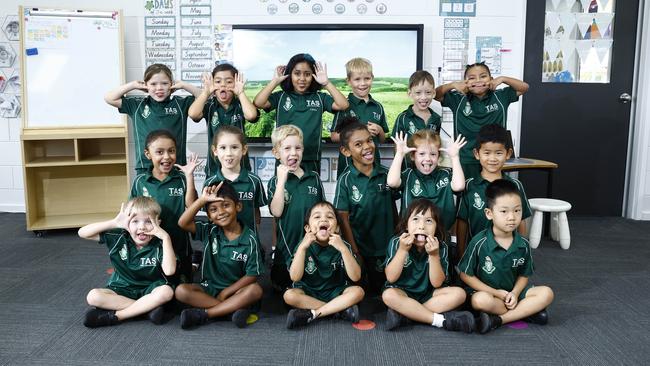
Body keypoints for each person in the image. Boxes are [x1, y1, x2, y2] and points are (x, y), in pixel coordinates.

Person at [459, 179, 554, 334]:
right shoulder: (479, 242)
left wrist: (515, 293)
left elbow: (524, 274)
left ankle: (498, 319)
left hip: (513, 292)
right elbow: (465, 275)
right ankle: (525, 312)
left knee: (547, 293)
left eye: (517, 211)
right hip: (490, 294)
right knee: (479, 301)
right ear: (489, 214)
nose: (512, 217)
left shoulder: (523, 243)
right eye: (504, 211)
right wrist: (497, 293)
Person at [175, 182, 264, 329]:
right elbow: (182, 222)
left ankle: (205, 314)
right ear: (209, 216)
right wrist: (202, 200)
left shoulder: (250, 239)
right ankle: (230, 311)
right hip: (209, 289)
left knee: (255, 290)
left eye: (226, 205)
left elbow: (252, 275)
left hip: (236, 291)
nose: (221, 212)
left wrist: (226, 292)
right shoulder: (210, 230)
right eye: (213, 209)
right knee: (181, 291)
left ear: (238, 206)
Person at [78, 197, 176, 328]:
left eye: (148, 221)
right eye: (135, 221)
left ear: (158, 223)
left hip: (150, 290)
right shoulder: (119, 237)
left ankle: (118, 316)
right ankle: (146, 310)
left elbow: (169, 271)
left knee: (166, 292)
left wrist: (165, 237)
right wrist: (114, 223)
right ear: (126, 223)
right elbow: (82, 233)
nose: (142, 227)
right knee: (93, 296)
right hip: (122, 288)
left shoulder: (160, 244)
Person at [382, 199, 475, 332]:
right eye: (416, 219)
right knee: (388, 295)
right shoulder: (397, 242)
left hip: (429, 294)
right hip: (403, 292)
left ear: (436, 227)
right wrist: (403, 250)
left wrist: (434, 255)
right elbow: (391, 278)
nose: (422, 226)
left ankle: (407, 314)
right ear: (407, 225)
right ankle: (440, 321)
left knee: (460, 294)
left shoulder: (440, 246)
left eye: (429, 221)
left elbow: (437, 283)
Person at [333, 116, 398, 295]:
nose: (367, 147)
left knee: (384, 290)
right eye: (359, 144)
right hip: (361, 248)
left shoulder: (387, 174)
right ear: (346, 151)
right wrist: (354, 251)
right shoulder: (345, 180)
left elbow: (394, 209)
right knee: (360, 290)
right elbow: (343, 219)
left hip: (387, 247)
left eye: (369, 140)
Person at [253, 53, 349, 172]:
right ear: (289, 75)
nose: (302, 79)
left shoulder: (319, 97)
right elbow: (259, 103)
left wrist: (326, 83)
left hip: (311, 158)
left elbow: (343, 104)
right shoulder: (281, 97)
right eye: (297, 73)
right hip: (284, 158)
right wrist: (275, 82)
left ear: (313, 76)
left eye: (307, 74)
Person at [435, 62, 529, 179]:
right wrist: (453, 85)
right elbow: (435, 94)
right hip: (467, 158)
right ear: (465, 83)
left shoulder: (501, 96)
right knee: (467, 192)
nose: (478, 80)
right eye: (472, 78)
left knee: (493, 193)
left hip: (493, 158)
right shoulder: (458, 99)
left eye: (483, 76)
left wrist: (502, 79)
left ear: (491, 79)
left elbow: (524, 87)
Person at [105, 63, 202, 174]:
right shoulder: (137, 105)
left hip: (175, 166)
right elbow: (109, 98)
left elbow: (205, 96)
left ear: (172, 84)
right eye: (153, 84)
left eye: (165, 83)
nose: (159, 88)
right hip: (145, 167)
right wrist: (133, 85)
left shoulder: (180, 104)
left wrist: (183, 85)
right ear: (146, 85)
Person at [130, 130, 199, 284]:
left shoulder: (181, 178)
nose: (167, 157)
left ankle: (193, 265)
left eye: (171, 151)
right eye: (159, 152)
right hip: (151, 243)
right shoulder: (140, 181)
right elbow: (132, 213)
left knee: (181, 289)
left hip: (179, 243)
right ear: (148, 154)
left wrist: (189, 177)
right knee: (154, 284)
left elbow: (192, 206)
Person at [284, 201, 365, 329]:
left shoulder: (343, 245)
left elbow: (356, 277)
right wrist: (302, 249)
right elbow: (295, 277)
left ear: (337, 228)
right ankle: (337, 310)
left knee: (358, 292)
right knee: (289, 296)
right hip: (309, 291)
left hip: (335, 291)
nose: (324, 219)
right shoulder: (302, 246)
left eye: (330, 217)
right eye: (317, 217)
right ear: (308, 228)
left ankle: (315, 313)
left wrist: (343, 249)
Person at [456, 124, 531, 259]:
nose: (492, 158)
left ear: (508, 154)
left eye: (498, 153)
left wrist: (521, 251)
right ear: (476, 154)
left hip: (507, 255)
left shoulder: (515, 185)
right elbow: (462, 222)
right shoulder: (469, 186)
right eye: (487, 153)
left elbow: (522, 220)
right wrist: (461, 254)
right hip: (476, 255)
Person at [268, 125, 325, 291]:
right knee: (282, 286)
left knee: (314, 284)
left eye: (298, 148)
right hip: (286, 250)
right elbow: (276, 211)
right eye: (287, 148)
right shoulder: (275, 182)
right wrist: (281, 181)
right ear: (276, 153)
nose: (293, 153)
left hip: (313, 247)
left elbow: (323, 211)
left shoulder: (313, 178)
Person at [387, 129, 466, 232]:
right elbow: (392, 182)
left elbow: (459, 186)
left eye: (433, 154)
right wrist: (399, 154)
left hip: (441, 234)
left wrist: (454, 157)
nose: (428, 158)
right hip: (412, 234)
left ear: (438, 156)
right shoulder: (409, 175)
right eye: (421, 154)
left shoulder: (445, 174)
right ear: (412, 156)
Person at [188, 64, 259, 176]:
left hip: (240, 168)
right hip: (214, 169)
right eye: (218, 81)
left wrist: (240, 93)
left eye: (229, 82)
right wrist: (206, 92)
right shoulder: (210, 106)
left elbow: (251, 116)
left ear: (236, 83)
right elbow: (193, 114)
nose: (223, 85)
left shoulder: (240, 105)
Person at [203, 126, 267, 235]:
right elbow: (210, 215)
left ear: (244, 150)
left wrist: (254, 237)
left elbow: (256, 212)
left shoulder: (254, 181)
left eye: (234, 147)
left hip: (247, 243)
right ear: (215, 151)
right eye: (223, 148)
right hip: (220, 243)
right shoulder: (210, 183)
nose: (229, 153)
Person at [330, 57, 388, 177]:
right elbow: (334, 136)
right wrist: (360, 132)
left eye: (367, 78)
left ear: (372, 78)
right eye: (357, 79)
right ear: (349, 81)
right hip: (348, 168)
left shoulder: (378, 107)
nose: (362, 83)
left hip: (373, 166)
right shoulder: (344, 105)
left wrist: (380, 130)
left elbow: (382, 139)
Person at [393, 70, 442, 169]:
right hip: (408, 171)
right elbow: (396, 147)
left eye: (428, 92)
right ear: (410, 93)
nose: (423, 97)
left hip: (429, 170)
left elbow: (437, 147)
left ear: (433, 93)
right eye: (418, 93)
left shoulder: (436, 118)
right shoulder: (402, 118)